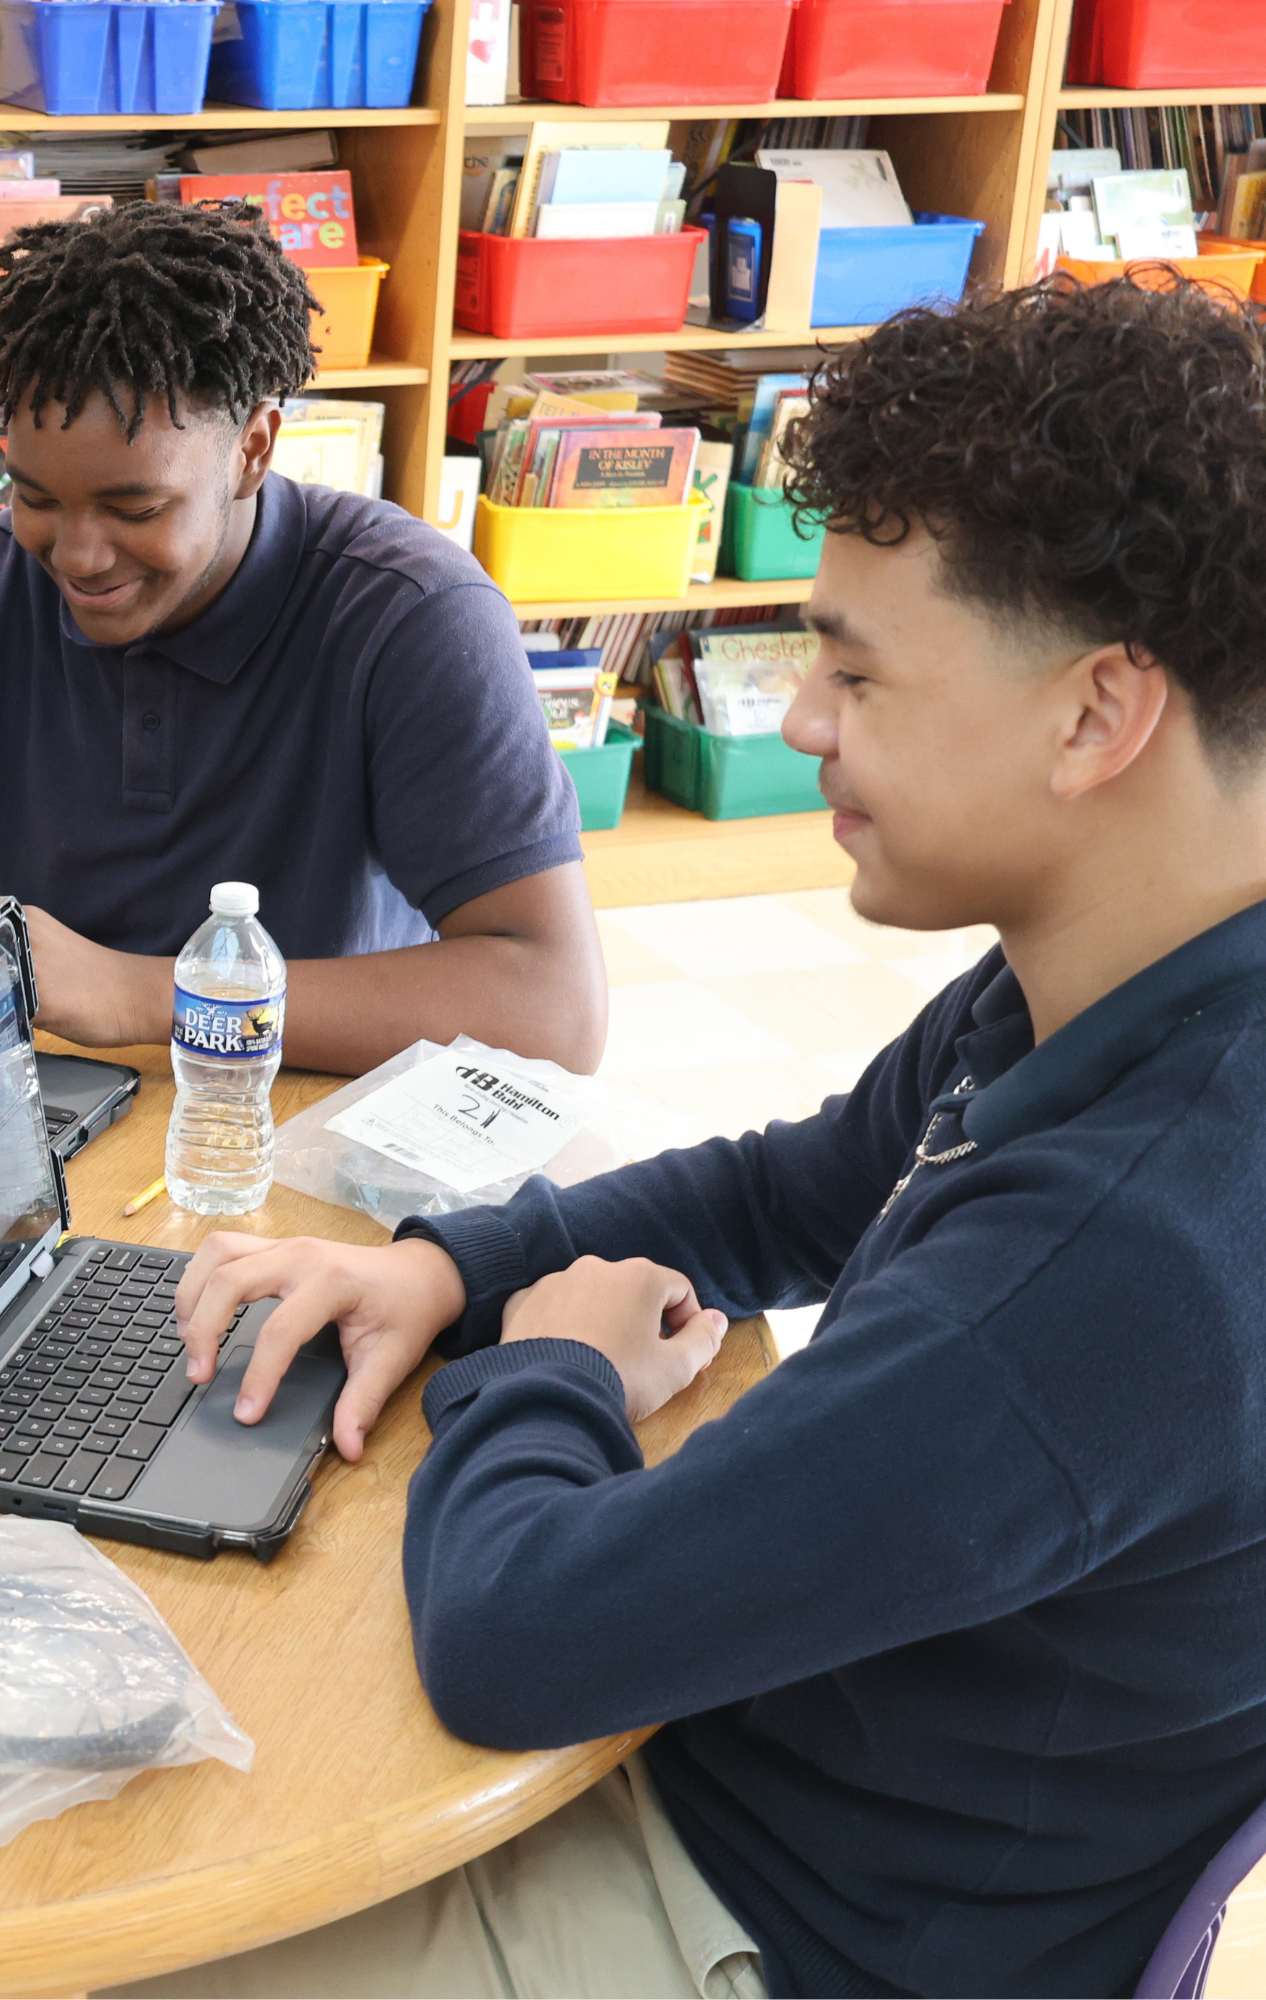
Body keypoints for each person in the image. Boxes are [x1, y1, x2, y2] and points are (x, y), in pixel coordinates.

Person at [147, 274, 1266, 2000]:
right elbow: (800, 1184)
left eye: (855, 669)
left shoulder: (1128, 1247)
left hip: (780, 1918)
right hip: (821, 1791)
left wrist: (549, 1369)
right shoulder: (1125, 972)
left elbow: (519, 1646)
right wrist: (452, 1264)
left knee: (144, 1913)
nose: (801, 718)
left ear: (1097, 714)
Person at [0, 204, 605, 1073]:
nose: (76, 556)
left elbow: (553, 1008)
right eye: (32, 497)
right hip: (43, 1125)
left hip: (302, 1129)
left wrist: (143, 996)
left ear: (253, 448)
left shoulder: (410, 617)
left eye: (133, 507)